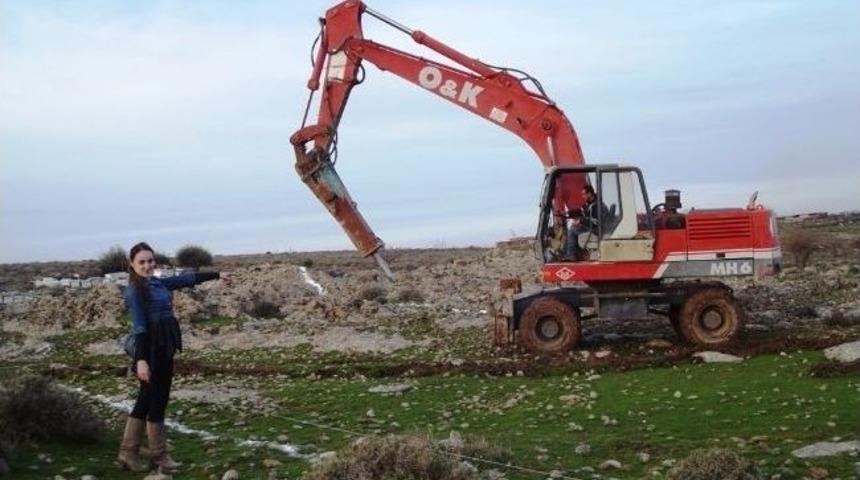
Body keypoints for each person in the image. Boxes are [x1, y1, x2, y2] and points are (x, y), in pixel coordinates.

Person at [116, 242, 222, 472]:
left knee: (145, 399)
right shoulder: (135, 291)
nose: (147, 265)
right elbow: (140, 327)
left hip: (164, 348)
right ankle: (160, 456)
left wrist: (217, 275)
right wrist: (142, 361)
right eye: (142, 262)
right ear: (132, 265)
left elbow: (184, 280)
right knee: (158, 400)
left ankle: (128, 453)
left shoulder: (156, 282)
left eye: (150, 261)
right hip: (151, 351)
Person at [565, 185, 606, 259]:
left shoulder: (597, 205)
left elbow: (596, 222)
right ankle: (575, 254)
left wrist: (581, 220)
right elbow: (581, 211)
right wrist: (567, 213)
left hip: (596, 231)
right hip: (591, 228)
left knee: (573, 229)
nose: (582, 196)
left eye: (584, 194)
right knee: (574, 227)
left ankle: (570, 256)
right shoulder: (589, 204)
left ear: (589, 194)